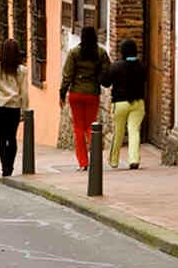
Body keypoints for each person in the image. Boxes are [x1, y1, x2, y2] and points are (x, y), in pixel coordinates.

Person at [59, 26, 110, 170]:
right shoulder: (101, 53)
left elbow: (67, 75)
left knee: (78, 128)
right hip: (92, 94)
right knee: (91, 127)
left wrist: (62, 93)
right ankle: (95, 158)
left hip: (76, 94)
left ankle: (83, 162)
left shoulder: (74, 53)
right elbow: (107, 72)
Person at [102, 38, 147, 170]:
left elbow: (106, 82)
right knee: (134, 131)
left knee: (118, 132)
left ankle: (114, 160)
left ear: (122, 51)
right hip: (138, 103)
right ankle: (134, 160)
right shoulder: (141, 67)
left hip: (120, 103)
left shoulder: (116, 66)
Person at [0, 38, 28, 177]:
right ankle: (10, 165)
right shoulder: (22, 70)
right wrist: (24, 109)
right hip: (14, 107)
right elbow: (24, 92)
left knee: (2, 137)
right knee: (12, 137)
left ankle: (4, 166)